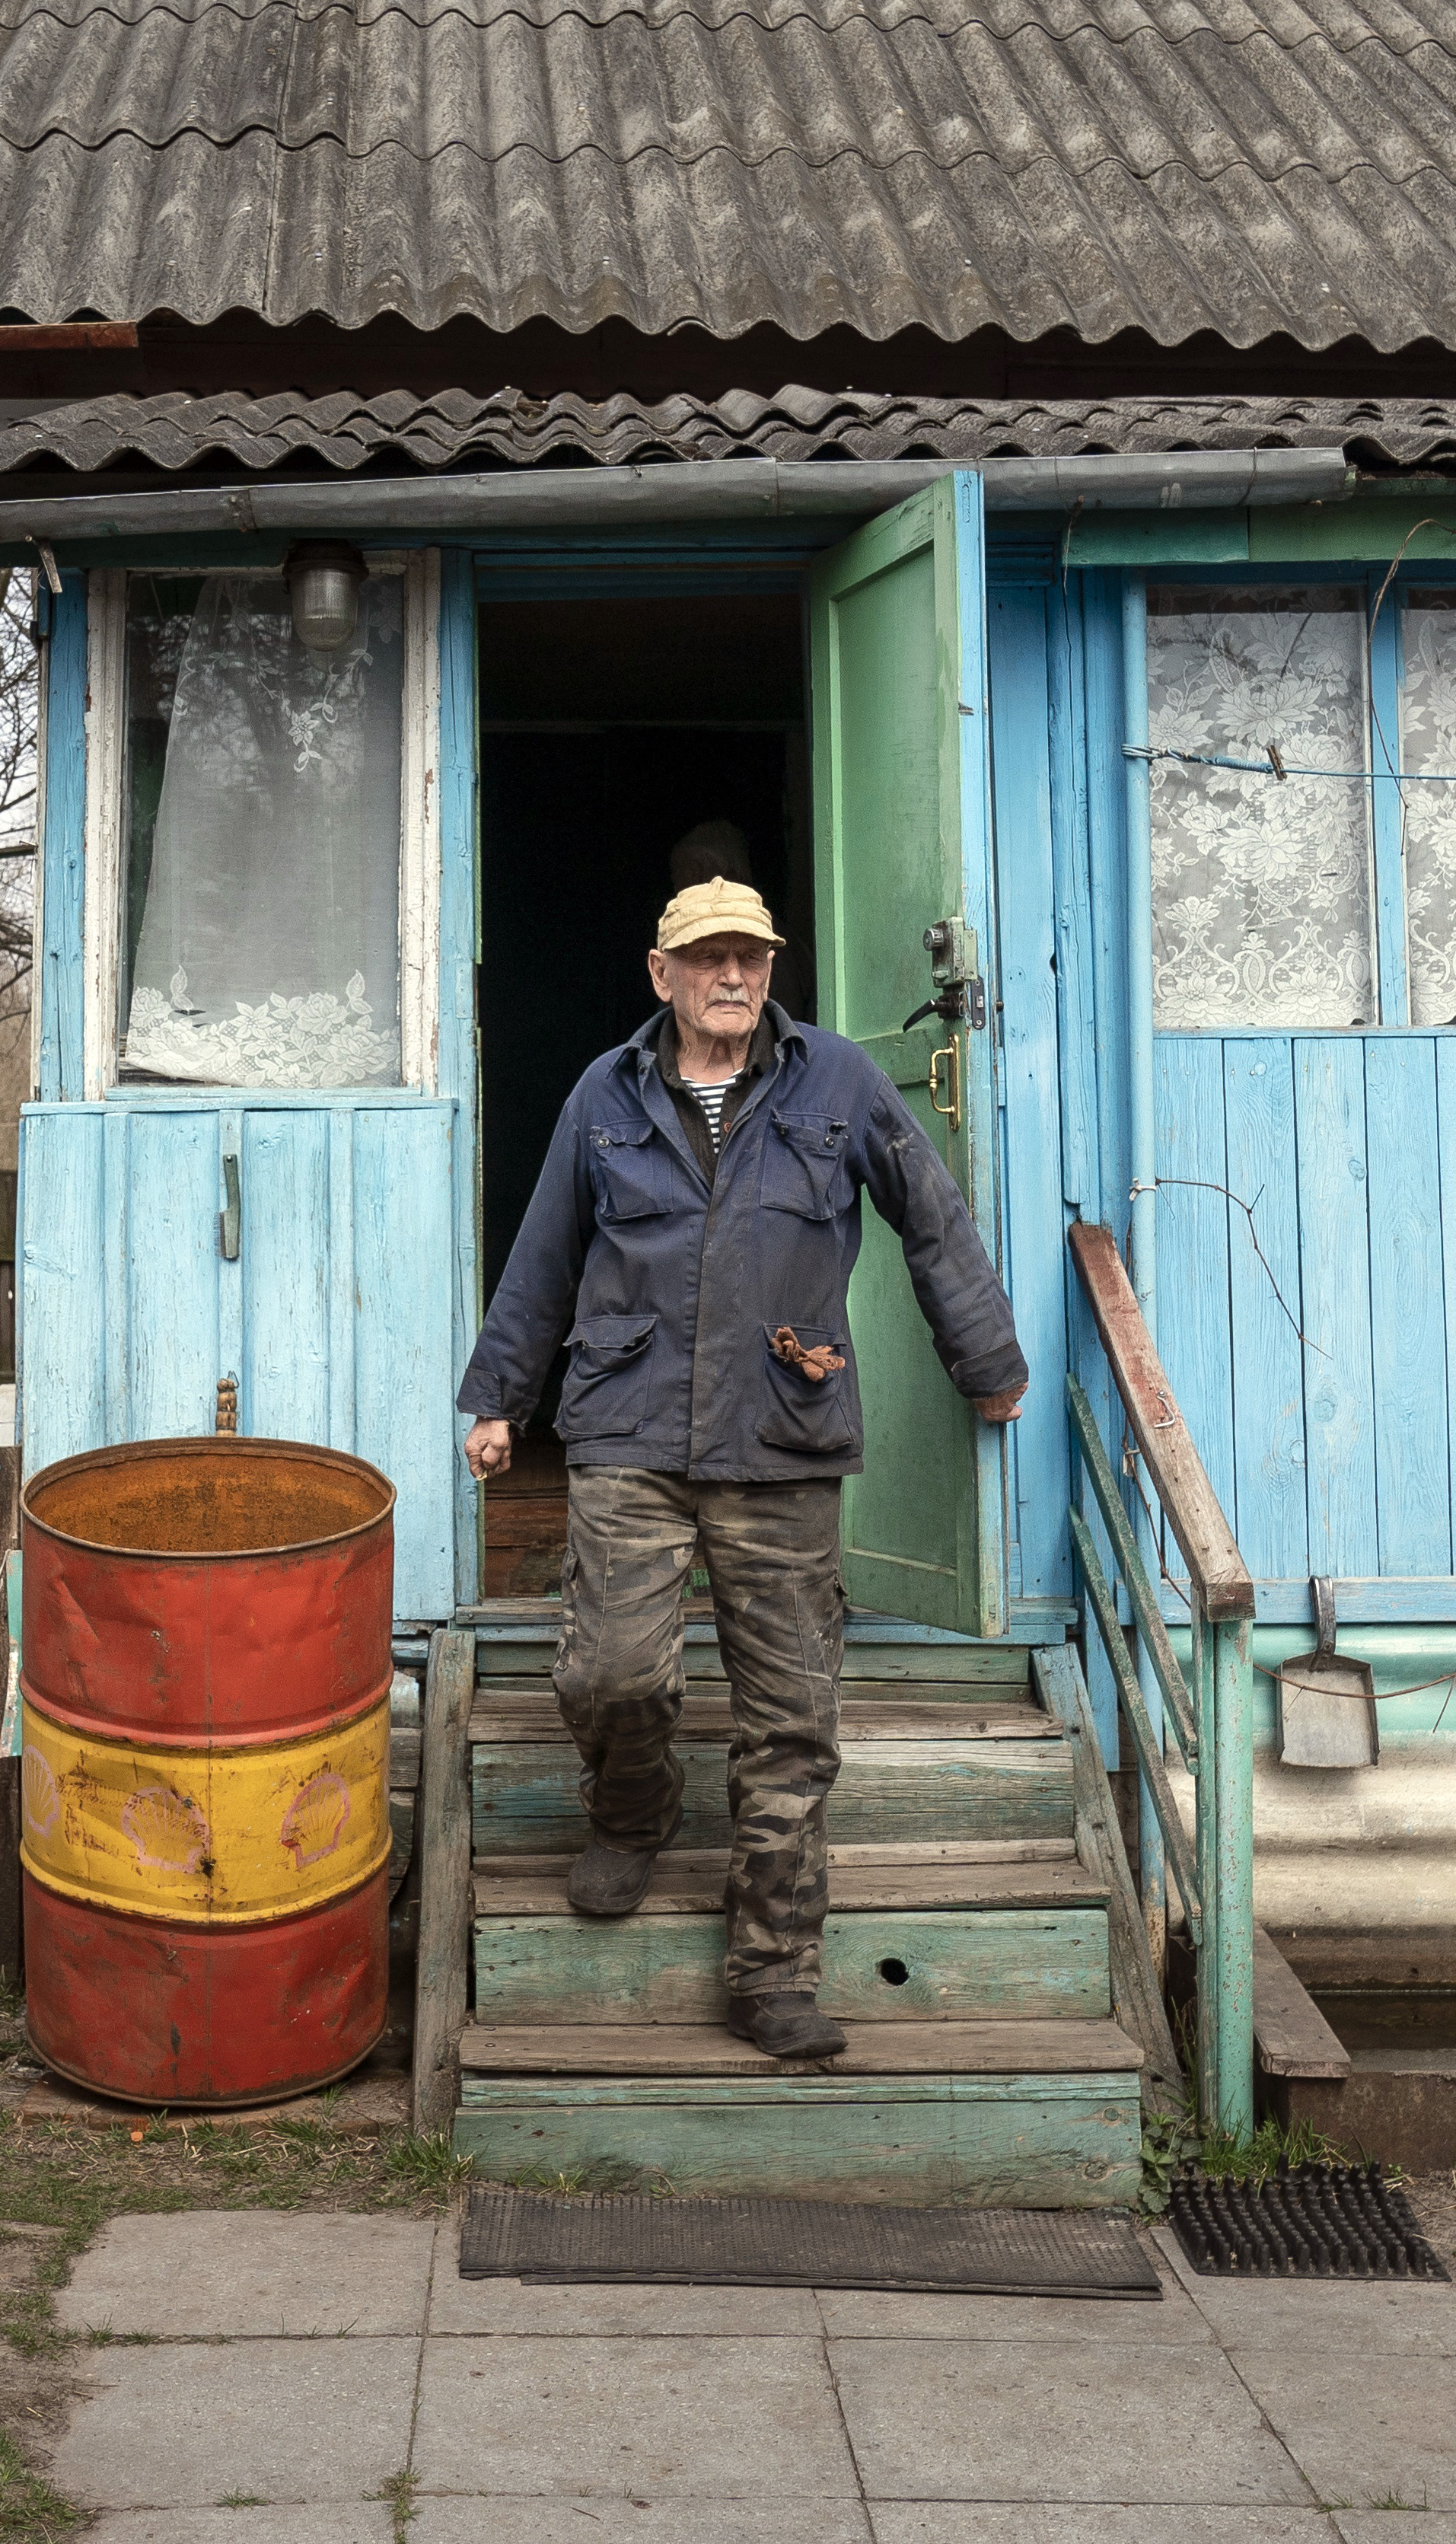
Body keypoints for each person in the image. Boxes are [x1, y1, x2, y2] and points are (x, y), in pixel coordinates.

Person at [456, 877, 1027, 2061]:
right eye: (709, 958)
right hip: (628, 1422)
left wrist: (988, 1359)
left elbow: (933, 1218)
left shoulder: (838, 1082)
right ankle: (632, 1804)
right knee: (611, 1672)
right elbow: (545, 1249)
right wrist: (497, 1397)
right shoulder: (604, 1097)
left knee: (792, 1719)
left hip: (781, 1427)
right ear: (660, 974)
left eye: (753, 958)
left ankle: (771, 1970)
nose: (735, 977)